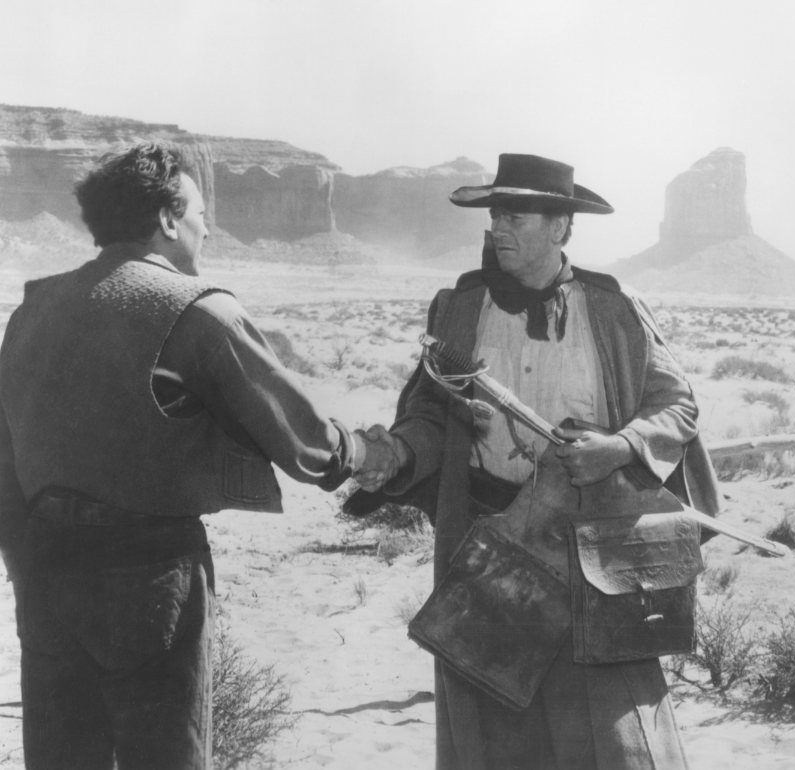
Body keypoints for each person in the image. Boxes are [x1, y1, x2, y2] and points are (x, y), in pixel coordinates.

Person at [0, 141, 370, 769]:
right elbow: (307, 446)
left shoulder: (33, 309)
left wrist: (24, 562)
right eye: (199, 211)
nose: (208, 226)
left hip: (45, 573)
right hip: (149, 577)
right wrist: (364, 452)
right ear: (168, 220)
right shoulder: (198, 311)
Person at [357, 153, 723, 770]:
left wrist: (620, 447)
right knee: (496, 727)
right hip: (489, 541)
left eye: (515, 216)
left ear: (560, 227)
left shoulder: (612, 307)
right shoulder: (459, 307)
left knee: (612, 726)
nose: (498, 227)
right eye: (496, 213)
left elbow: (677, 405)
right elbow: (426, 414)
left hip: (591, 545)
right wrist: (395, 451)